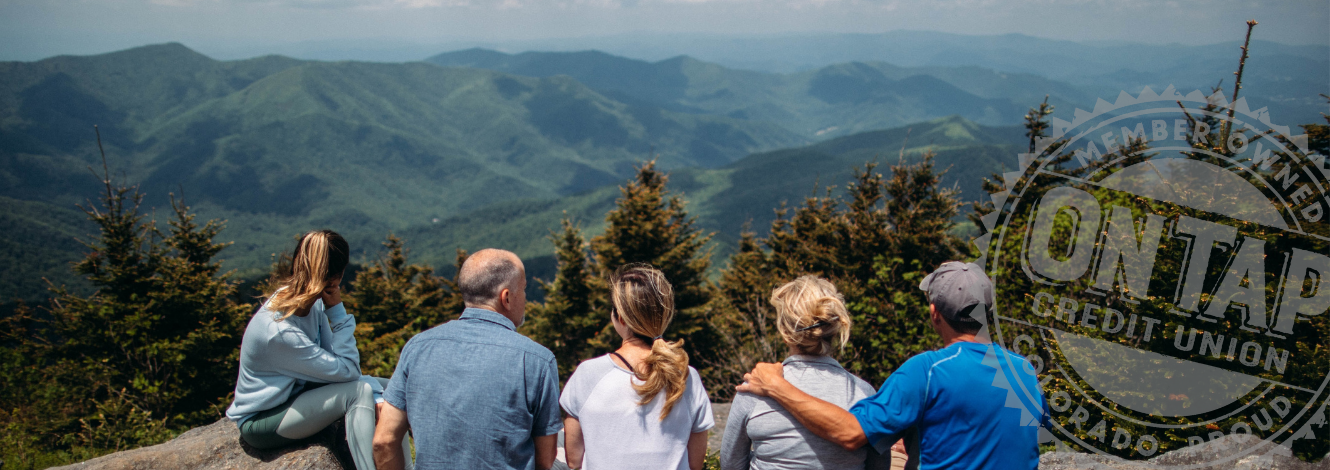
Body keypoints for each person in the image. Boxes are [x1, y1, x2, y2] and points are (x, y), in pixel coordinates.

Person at [736, 262, 1047, 470]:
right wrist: (908, 427)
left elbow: (850, 434)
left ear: (934, 312)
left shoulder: (928, 370)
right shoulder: (1025, 372)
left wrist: (777, 385)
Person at [226, 229, 408, 470]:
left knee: (394, 388)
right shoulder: (281, 332)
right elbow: (349, 371)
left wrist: (380, 395)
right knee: (358, 392)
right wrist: (339, 314)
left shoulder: (308, 303)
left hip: (293, 398)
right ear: (337, 277)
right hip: (263, 421)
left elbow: (336, 367)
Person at [372, 249, 562, 470]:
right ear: (507, 297)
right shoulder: (537, 360)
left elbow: (384, 441)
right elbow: (545, 460)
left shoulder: (417, 347)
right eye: (524, 289)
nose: (526, 298)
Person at [720, 276, 891, 470]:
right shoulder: (863, 393)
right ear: (834, 330)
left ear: (785, 332)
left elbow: (730, 464)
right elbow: (879, 466)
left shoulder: (753, 389)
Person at [559, 263, 714, 470]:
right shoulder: (686, 377)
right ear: (664, 317)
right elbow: (695, 464)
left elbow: (574, 460)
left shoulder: (588, 374)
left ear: (619, 317)